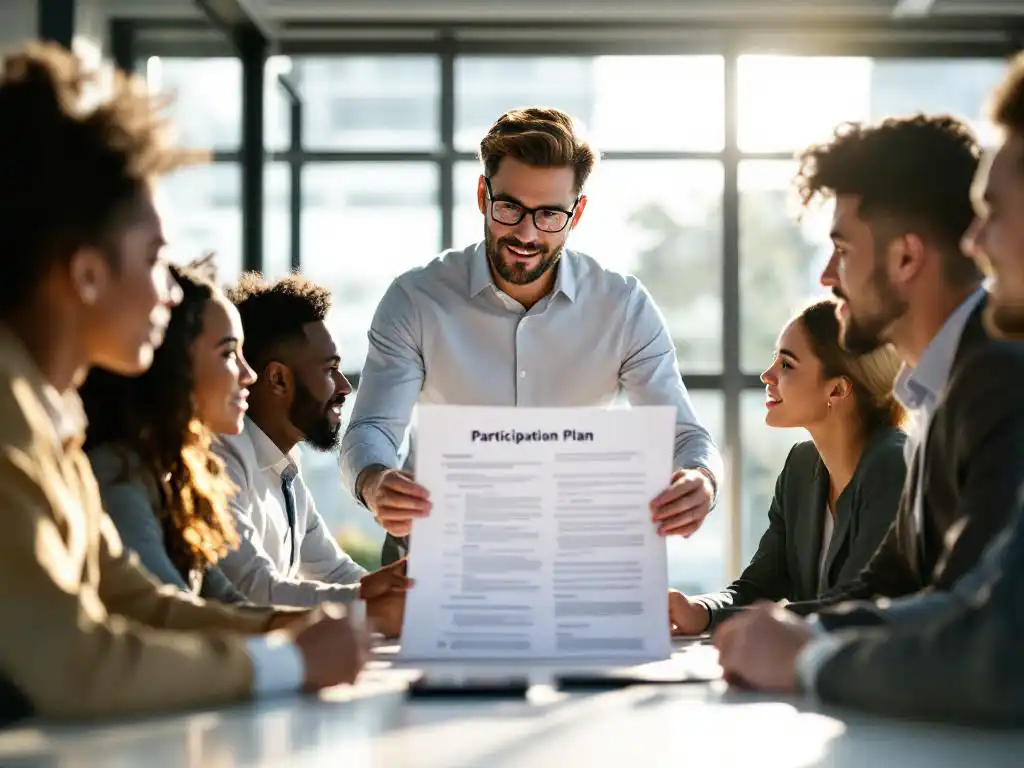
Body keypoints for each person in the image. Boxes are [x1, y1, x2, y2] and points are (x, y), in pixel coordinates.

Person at [0, 43, 363, 724]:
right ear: (85, 274)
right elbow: (73, 663)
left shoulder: (48, 420)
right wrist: (290, 661)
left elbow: (138, 601)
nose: (173, 292)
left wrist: (294, 633)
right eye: (155, 258)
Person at [714, 55, 1024, 727]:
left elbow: (983, 625)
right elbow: (898, 586)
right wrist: (777, 633)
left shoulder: (998, 377)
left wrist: (804, 656)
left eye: (843, 250)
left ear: (906, 258)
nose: (828, 276)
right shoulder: (938, 391)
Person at [341, 107, 724, 564]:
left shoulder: (622, 307)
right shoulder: (416, 299)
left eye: (549, 215)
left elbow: (684, 436)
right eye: (510, 208)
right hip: (434, 555)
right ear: (483, 195)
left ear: (576, 212)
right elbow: (372, 429)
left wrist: (702, 477)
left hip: (573, 557)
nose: (526, 233)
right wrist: (374, 480)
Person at [668, 299, 906, 635]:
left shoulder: (893, 465)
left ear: (837, 389)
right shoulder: (800, 466)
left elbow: (857, 604)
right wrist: (702, 610)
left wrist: (738, 622)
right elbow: (759, 584)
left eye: (787, 364)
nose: (767, 375)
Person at [213, 273, 406, 637]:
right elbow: (255, 591)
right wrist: (372, 602)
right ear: (278, 380)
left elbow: (334, 573)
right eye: (329, 370)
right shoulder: (221, 461)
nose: (345, 387)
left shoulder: (285, 465)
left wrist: (398, 591)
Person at [80, 257, 256, 604]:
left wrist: (346, 612)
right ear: (175, 365)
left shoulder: (172, 473)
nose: (249, 374)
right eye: (228, 353)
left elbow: (225, 603)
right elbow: (167, 611)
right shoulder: (117, 474)